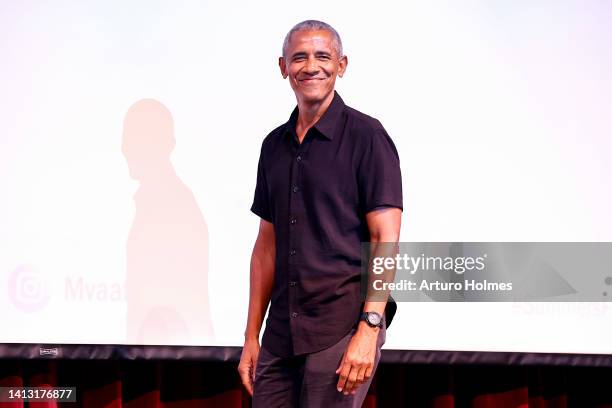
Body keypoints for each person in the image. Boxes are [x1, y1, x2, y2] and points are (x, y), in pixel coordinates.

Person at [238, 20, 403, 407]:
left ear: (341, 65)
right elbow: (266, 247)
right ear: (283, 68)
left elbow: (385, 240)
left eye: (323, 56)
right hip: (280, 335)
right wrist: (251, 336)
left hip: (341, 328)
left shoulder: (367, 136)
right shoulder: (273, 146)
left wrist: (369, 328)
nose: (311, 66)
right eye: (299, 57)